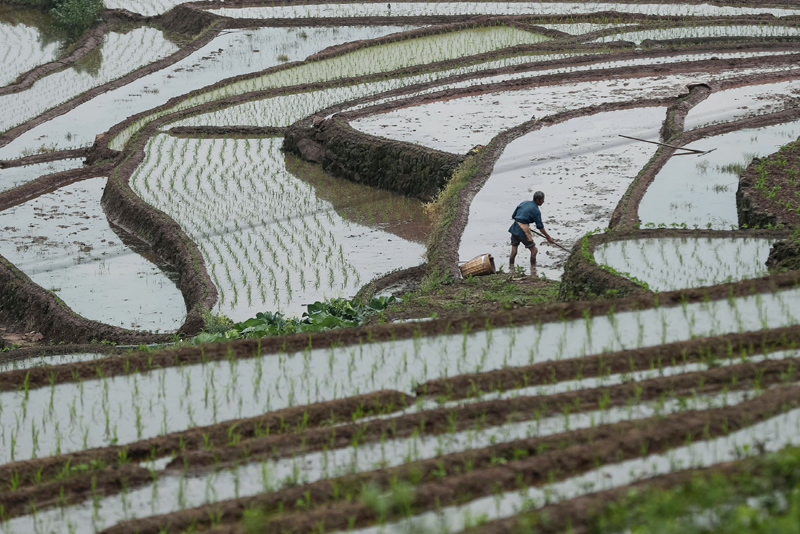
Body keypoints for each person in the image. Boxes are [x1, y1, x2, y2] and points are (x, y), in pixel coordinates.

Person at [508, 191, 554, 274]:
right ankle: (533, 270)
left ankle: (511, 268)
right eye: (542, 200)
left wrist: (523, 221)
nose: (543, 201)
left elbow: (514, 216)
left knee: (514, 251)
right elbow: (540, 227)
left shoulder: (524, 203)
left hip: (514, 227)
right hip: (523, 230)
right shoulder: (536, 211)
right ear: (538, 200)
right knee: (534, 250)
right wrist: (548, 237)